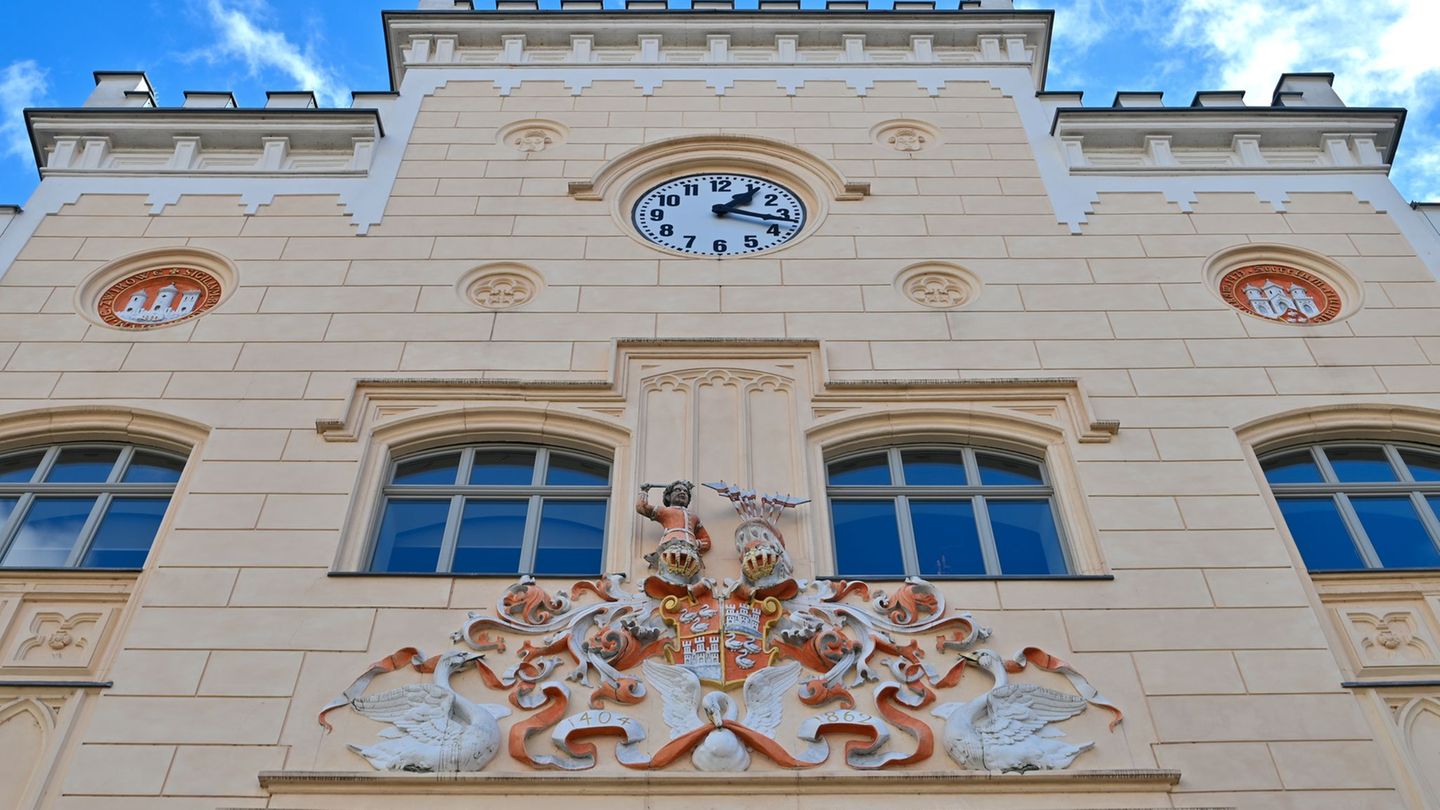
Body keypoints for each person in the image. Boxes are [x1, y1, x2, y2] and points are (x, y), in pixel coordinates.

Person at [636, 480, 711, 554]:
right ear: (668, 497)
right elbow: (641, 507)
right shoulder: (665, 511)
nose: (682, 492)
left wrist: (695, 543)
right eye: (677, 490)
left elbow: (707, 541)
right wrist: (644, 491)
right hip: (670, 546)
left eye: (685, 491)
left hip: (690, 552)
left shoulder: (694, 517)